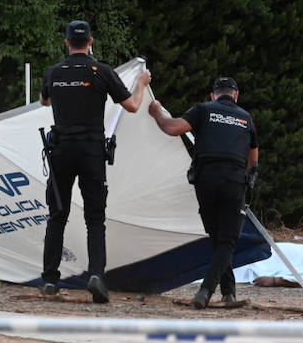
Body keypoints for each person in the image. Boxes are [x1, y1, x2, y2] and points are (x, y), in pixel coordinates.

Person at [39, 20, 150, 302]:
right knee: (95, 218)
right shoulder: (101, 71)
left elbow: (45, 102)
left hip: (61, 149)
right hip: (91, 150)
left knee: (56, 215)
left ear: (66, 43)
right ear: (91, 41)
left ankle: (50, 281)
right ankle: (96, 275)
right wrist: (141, 83)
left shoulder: (54, 72)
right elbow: (133, 106)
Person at [148, 76, 259, 309]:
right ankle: (206, 291)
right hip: (233, 181)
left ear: (213, 95)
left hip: (206, 181)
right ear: (236, 95)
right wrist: (247, 179)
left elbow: (172, 127)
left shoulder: (204, 110)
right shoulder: (246, 118)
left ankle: (228, 292)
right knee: (227, 241)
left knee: (217, 238)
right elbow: (253, 155)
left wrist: (156, 110)